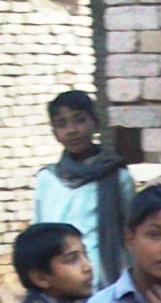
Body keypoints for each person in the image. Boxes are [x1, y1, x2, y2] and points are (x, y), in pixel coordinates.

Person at [32, 91, 135, 288]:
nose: (71, 130)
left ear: (95, 123)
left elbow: (130, 233)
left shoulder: (117, 177)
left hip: (105, 280)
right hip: (58, 281)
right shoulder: (47, 179)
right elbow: (39, 234)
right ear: (54, 133)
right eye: (62, 124)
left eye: (79, 120)